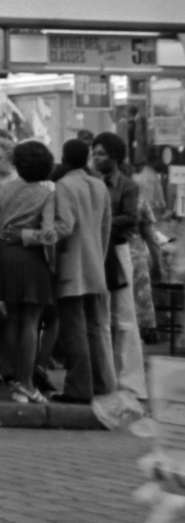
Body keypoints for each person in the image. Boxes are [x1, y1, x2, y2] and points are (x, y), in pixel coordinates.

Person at [0, 139, 58, 403]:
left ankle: (17, 383)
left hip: (5, 257)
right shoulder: (47, 193)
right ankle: (27, 384)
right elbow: (49, 234)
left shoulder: (4, 189)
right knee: (31, 322)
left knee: (13, 321)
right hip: (31, 259)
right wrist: (37, 243)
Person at [51, 136, 115, 404]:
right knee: (94, 327)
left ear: (65, 159)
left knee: (74, 328)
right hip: (94, 263)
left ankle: (78, 388)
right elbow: (106, 227)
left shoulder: (64, 186)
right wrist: (98, 257)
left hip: (71, 265)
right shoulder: (99, 185)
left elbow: (63, 226)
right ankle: (101, 384)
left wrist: (40, 237)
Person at [90, 131, 147, 402]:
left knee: (124, 317)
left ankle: (133, 384)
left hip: (119, 252)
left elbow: (131, 218)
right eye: (94, 153)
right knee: (101, 317)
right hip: (96, 252)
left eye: (101, 154)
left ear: (114, 157)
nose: (96, 158)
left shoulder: (127, 186)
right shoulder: (91, 181)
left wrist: (101, 224)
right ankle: (107, 379)